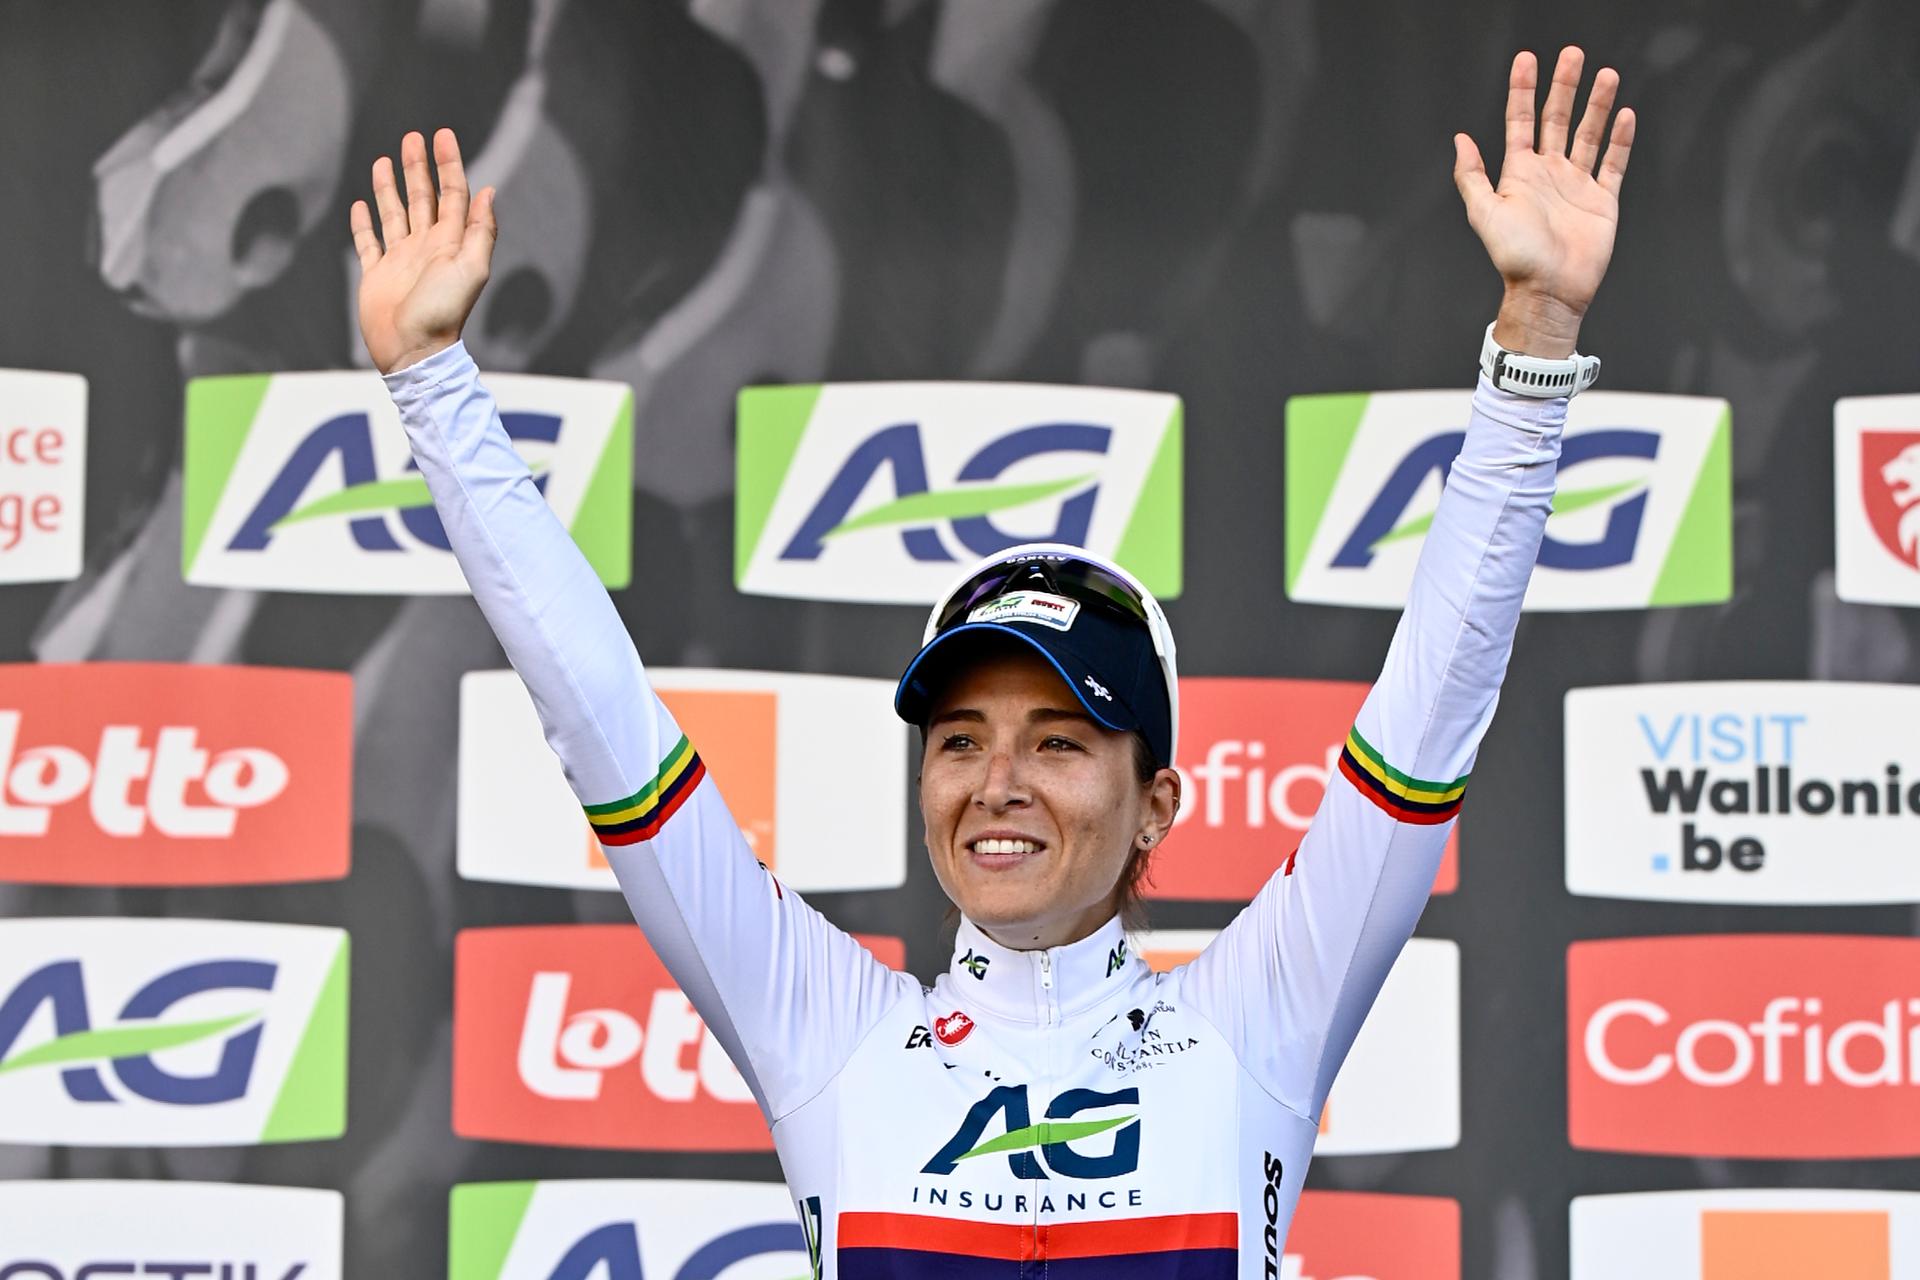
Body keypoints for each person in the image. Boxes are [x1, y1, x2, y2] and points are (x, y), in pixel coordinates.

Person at [352, 45, 1632, 1277]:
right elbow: (601, 718)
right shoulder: (831, 1028)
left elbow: (1432, 709)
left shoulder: (1259, 1024)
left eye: (1060, 737)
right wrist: (435, 389)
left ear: (1159, 803)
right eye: (960, 737)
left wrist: (1536, 333)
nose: (997, 779)